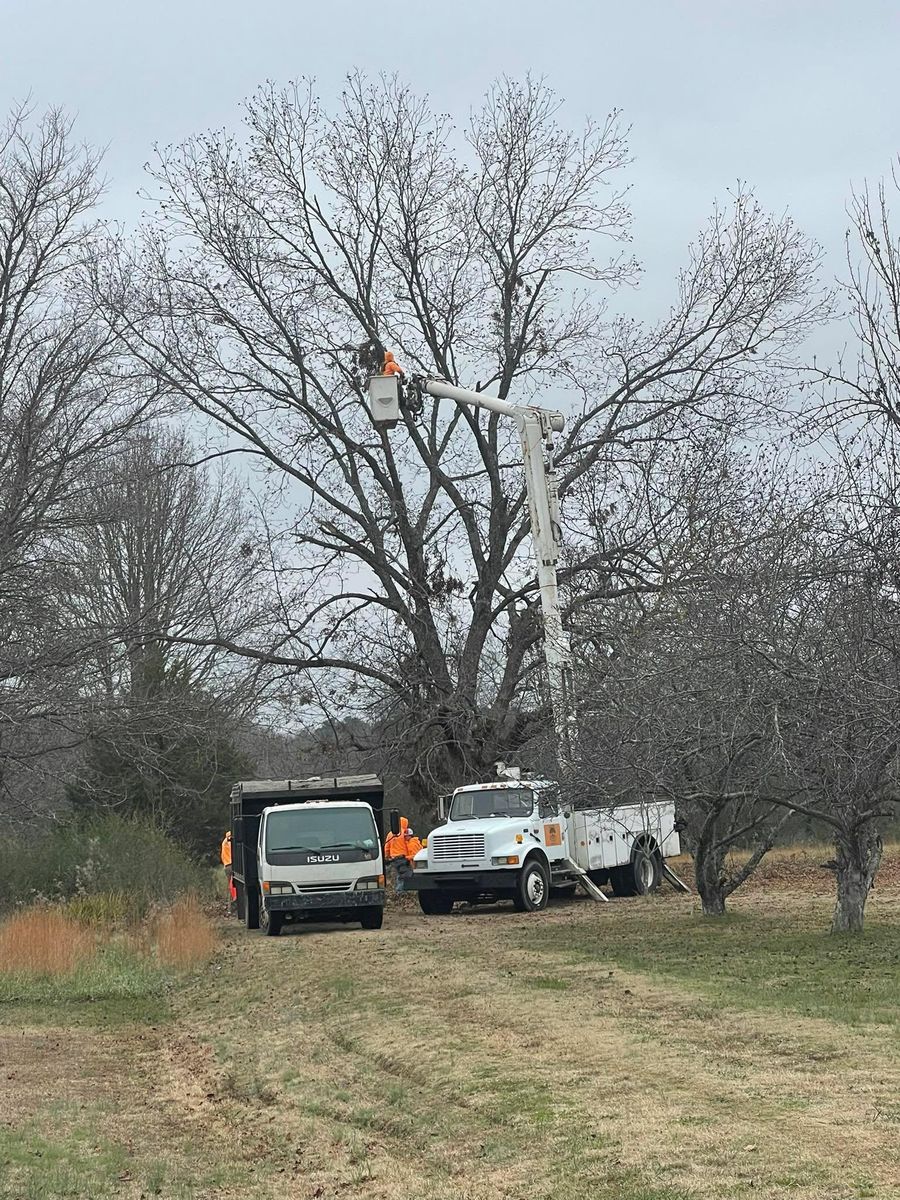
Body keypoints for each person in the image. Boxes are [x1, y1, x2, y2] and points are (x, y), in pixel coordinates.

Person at [384, 817, 422, 893]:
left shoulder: (390, 833)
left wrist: (387, 856)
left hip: (393, 859)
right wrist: (409, 858)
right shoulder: (403, 833)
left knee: (399, 875)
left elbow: (387, 847)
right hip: (403, 858)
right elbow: (409, 846)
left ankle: (400, 891)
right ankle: (401, 892)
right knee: (406, 874)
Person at [220, 830, 237, 908]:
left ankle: (230, 906)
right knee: (235, 885)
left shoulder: (224, 842)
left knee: (230, 886)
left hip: (227, 866)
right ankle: (235, 901)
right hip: (232, 865)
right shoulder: (229, 842)